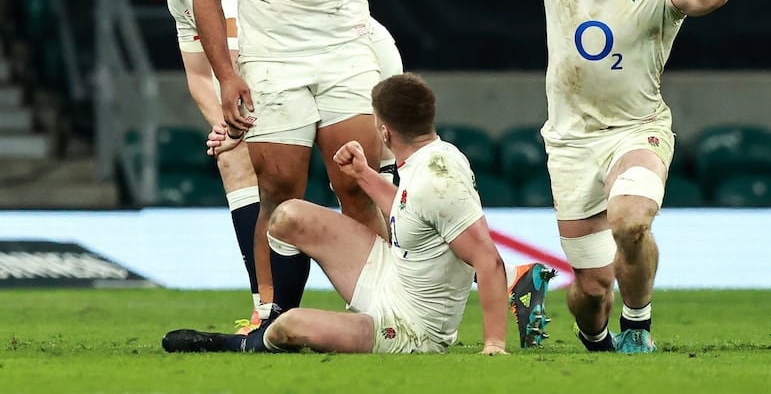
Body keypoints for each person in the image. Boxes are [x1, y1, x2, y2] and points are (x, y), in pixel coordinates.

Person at [462, 0, 730, 353]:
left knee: (631, 223)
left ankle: (637, 327)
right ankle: (594, 334)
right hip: (570, 143)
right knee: (591, 290)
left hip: (636, 130)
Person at [162, 73, 543, 354]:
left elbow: (487, 258)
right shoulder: (428, 160)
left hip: (412, 329)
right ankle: (273, 314)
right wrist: (364, 175)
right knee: (289, 216)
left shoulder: (438, 178)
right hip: (393, 276)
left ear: (385, 131)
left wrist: (494, 344)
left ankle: (249, 343)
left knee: (291, 329)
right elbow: (414, 212)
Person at [187, 0, 390, 326]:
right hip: (273, 61)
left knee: (358, 183)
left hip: (345, 48)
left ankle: (390, 309)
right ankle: (272, 314)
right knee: (277, 189)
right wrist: (228, 75)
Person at [119, 0, 266, 333]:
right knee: (232, 159)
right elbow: (200, 77)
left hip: (311, 71)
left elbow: (239, 57)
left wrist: (234, 123)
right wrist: (226, 126)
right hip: (262, 93)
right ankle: (265, 307)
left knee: (356, 184)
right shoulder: (179, 1)